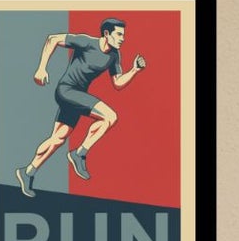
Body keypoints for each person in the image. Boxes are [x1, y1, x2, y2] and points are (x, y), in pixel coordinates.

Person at [14, 19, 145, 194]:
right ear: (106, 34)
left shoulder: (114, 55)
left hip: (77, 97)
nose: (123, 39)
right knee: (110, 116)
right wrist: (41, 68)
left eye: (124, 35)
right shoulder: (86, 42)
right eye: (119, 34)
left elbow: (118, 83)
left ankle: (28, 171)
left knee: (58, 139)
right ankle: (79, 153)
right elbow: (53, 39)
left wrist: (134, 70)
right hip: (66, 91)